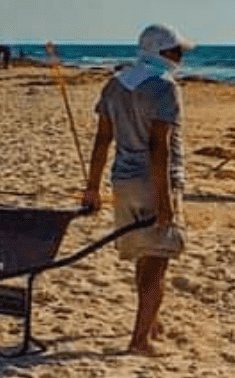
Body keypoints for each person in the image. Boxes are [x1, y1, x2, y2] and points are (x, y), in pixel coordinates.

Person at [80, 23, 195, 356]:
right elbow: (159, 148)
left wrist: (92, 188)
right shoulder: (165, 87)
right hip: (154, 182)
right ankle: (140, 340)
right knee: (157, 261)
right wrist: (165, 201)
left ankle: (150, 322)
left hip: (123, 181)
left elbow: (102, 140)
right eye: (177, 52)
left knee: (144, 256)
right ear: (162, 52)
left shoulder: (115, 84)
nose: (180, 58)